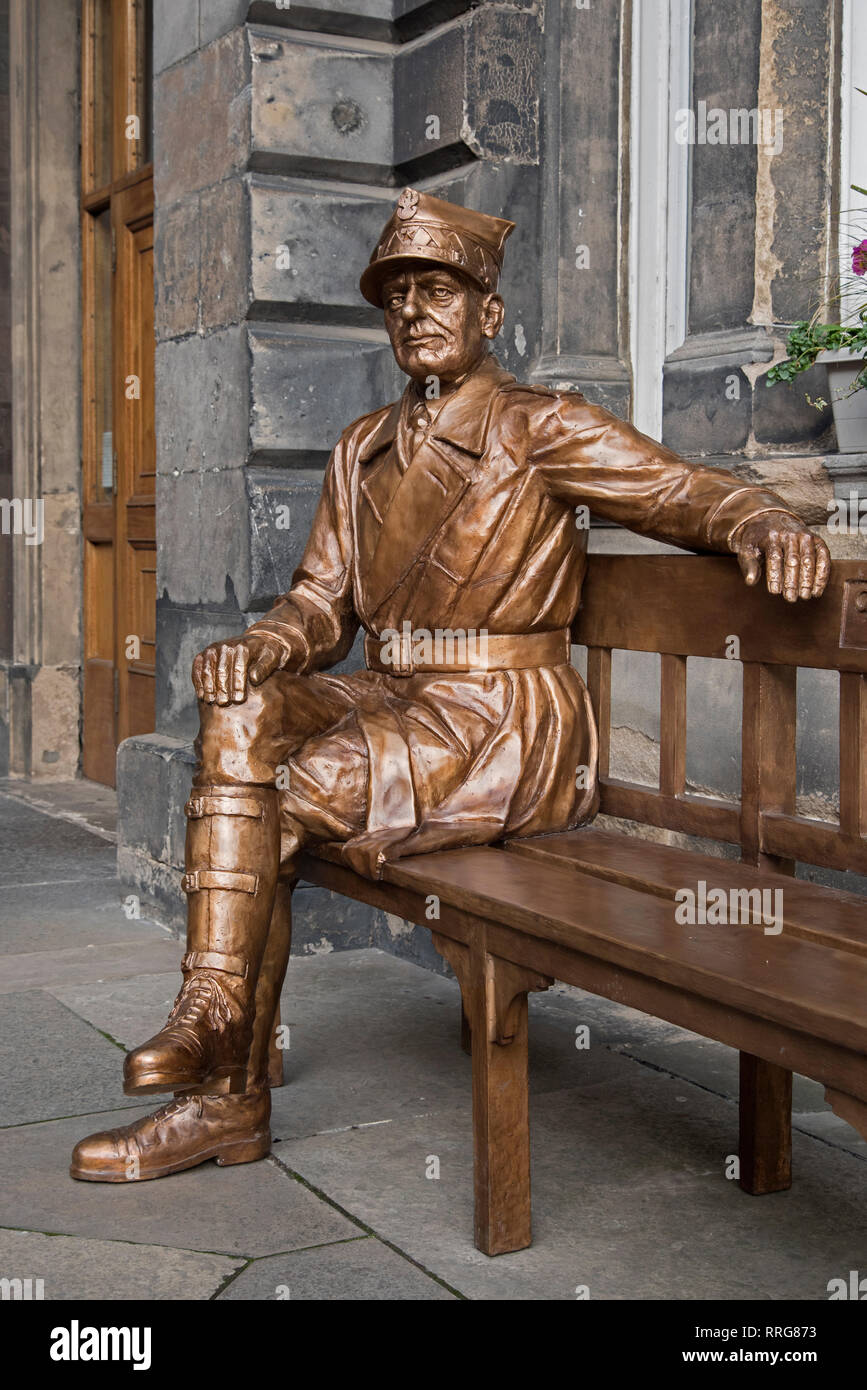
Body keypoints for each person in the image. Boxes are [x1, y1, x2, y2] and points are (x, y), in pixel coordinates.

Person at [70, 189, 830, 1181]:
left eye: (439, 290)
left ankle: (223, 1093)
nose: (415, 312)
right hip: (395, 696)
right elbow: (320, 606)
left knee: (275, 806)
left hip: (501, 718)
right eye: (396, 297)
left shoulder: (540, 427)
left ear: (488, 314)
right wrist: (262, 646)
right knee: (242, 714)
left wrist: (761, 520)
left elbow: (681, 491)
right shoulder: (362, 449)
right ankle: (212, 1011)